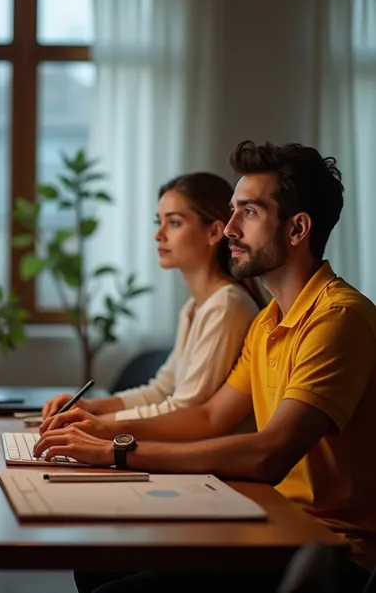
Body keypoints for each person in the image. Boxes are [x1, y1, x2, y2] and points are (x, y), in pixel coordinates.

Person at [34, 141, 376, 593]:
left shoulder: (338, 319)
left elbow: (267, 454)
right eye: (232, 211)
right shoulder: (269, 320)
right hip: (275, 521)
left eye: (249, 213)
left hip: (331, 553)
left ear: (297, 229)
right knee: (96, 565)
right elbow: (211, 417)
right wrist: (101, 432)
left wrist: (117, 451)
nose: (229, 229)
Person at [42, 172, 264, 424]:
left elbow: (185, 408)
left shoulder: (226, 305)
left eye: (174, 223)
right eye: (158, 221)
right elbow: (161, 390)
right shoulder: (194, 307)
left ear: (214, 232)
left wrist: (98, 423)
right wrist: (88, 407)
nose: (158, 235)